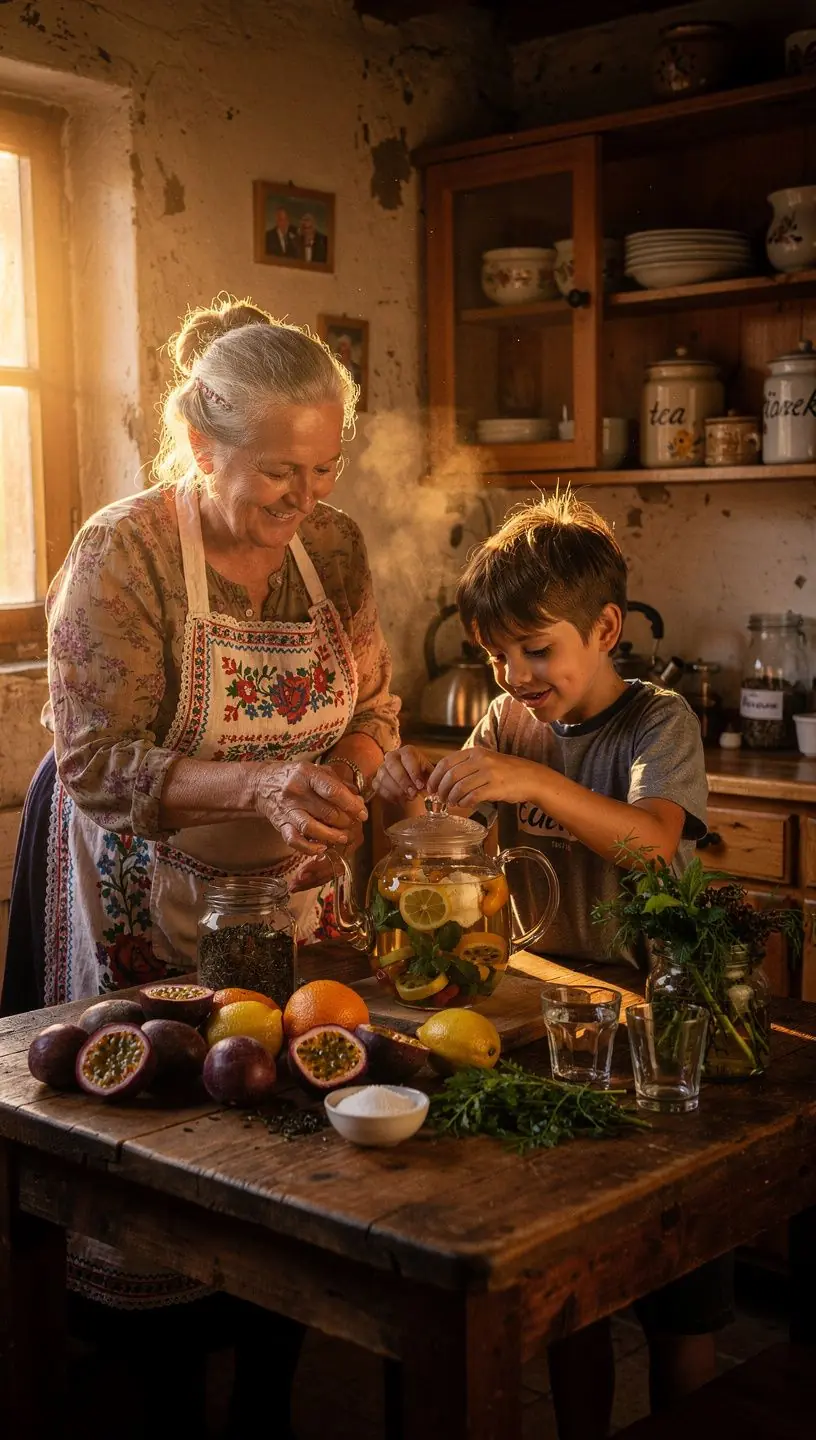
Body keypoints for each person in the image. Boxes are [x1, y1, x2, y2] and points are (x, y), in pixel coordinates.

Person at [4, 295, 400, 1435]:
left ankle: (268, 1397)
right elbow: (91, 761)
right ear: (200, 446)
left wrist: (356, 768)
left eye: (325, 469)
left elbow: (372, 702)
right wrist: (263, 784)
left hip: (295, 887)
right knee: (168, 1147)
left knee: (290, 1129)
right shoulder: (122, 550)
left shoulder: (334, 545)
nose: (306, 498)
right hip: (138, 884)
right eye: (281, 470)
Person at [373, 492, 731, 1440]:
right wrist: (405, 781)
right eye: (497, 653)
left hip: (661, 1025)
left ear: (605, 628)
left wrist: (532, 778)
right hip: (557, 1023)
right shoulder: (506, 716)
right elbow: (446, 838)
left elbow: (655, 846)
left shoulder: (660, 725)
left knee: (679, 1289)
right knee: (579, 1286)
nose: (516, 674)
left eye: (537, 649)